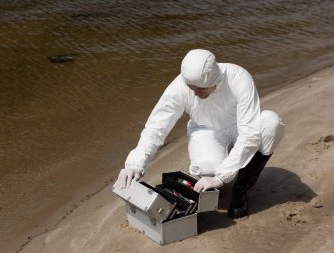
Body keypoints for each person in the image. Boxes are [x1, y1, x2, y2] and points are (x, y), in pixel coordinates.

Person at [117, 49, 284, 218]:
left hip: (240, 126)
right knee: (207, 170)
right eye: (191, 87)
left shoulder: (239, 77)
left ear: (215, 78)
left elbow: (249, 133)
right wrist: (135, 165)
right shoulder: (179, 87)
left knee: (271, 123)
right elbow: (156, 127)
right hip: (206, 130)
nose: (195, 93)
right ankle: (223, 169)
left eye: (201, 88)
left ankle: (241, 190)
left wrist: (222, 177)